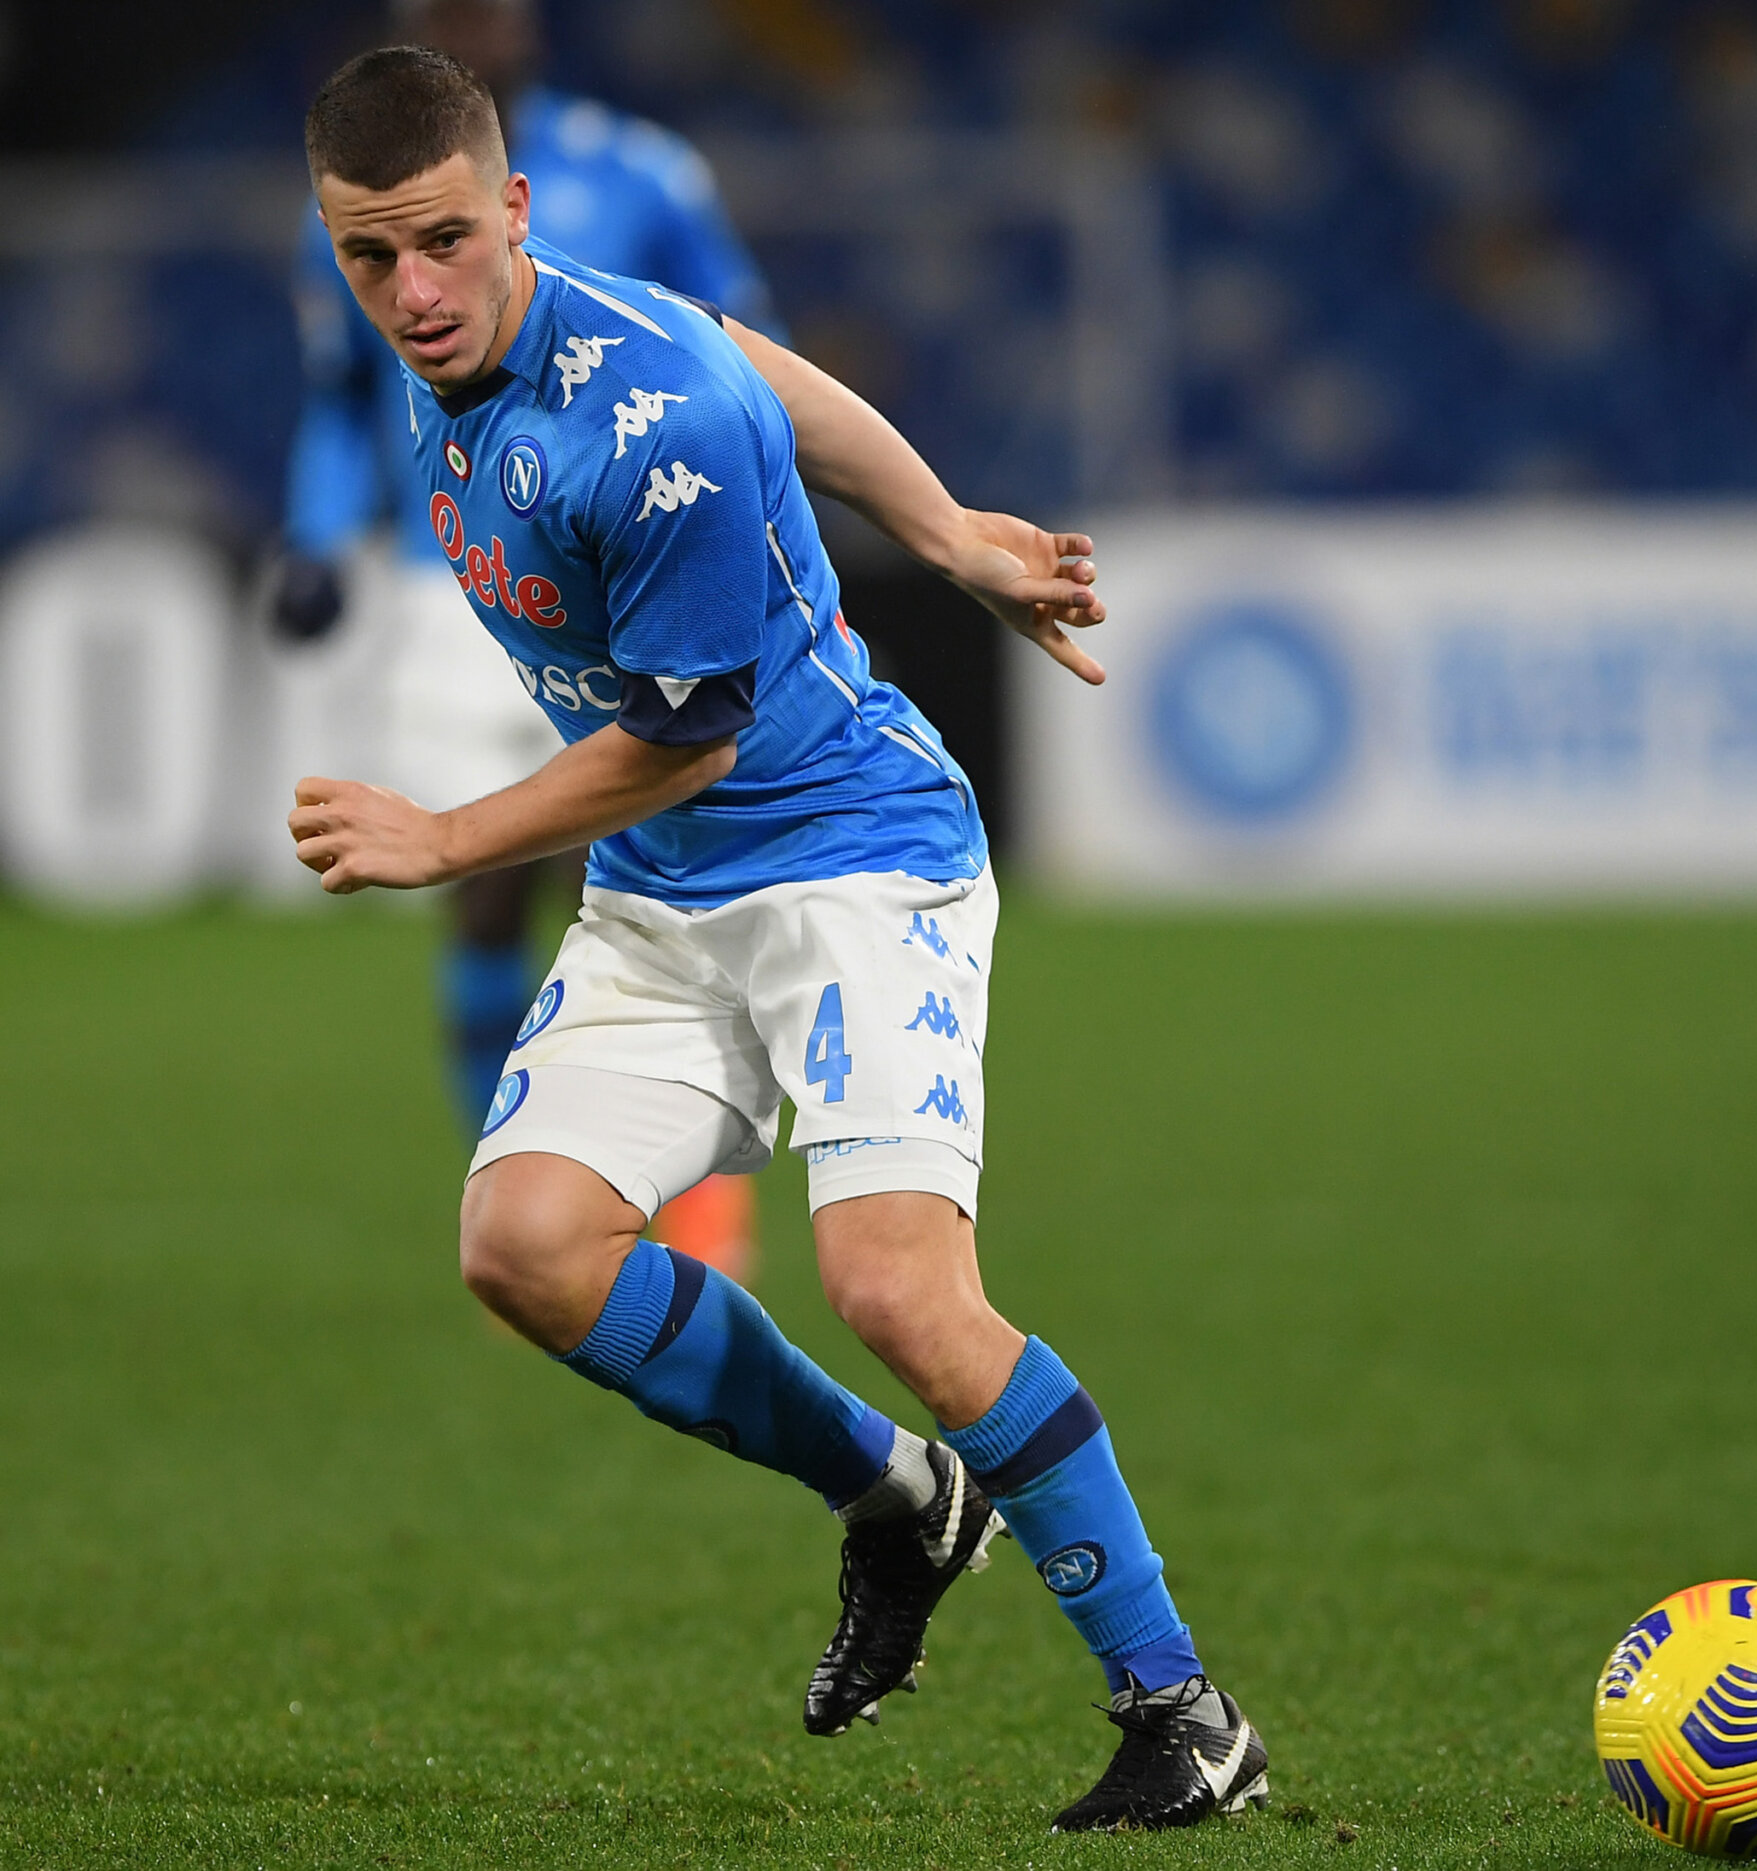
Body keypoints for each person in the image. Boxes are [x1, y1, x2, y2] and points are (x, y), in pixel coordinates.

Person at [285, 46, 1267, 1833]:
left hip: (846, 858)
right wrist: (945, 524)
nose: (410, 294)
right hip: (672, 891)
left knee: (896, 1286)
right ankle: (898, 1503)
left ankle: (1183, 1708)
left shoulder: (639, 423)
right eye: (368, 257)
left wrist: (443, 838)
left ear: (511, 211)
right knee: (521, 1243)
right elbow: (774, 369)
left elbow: (690, 735)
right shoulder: (496, 333)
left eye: (439, 243)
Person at [279, 0, 771, 1280]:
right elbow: (339, 398)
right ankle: (509, 1166)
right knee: (485, 890)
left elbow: (737, 353)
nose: (467, 26)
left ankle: (692, 1206)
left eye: (483, 9)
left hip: (620, 574)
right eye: (441, 12)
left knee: (628, 855)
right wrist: (317, 536)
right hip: (454, 585)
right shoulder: (353, 213)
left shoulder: (648, 172)